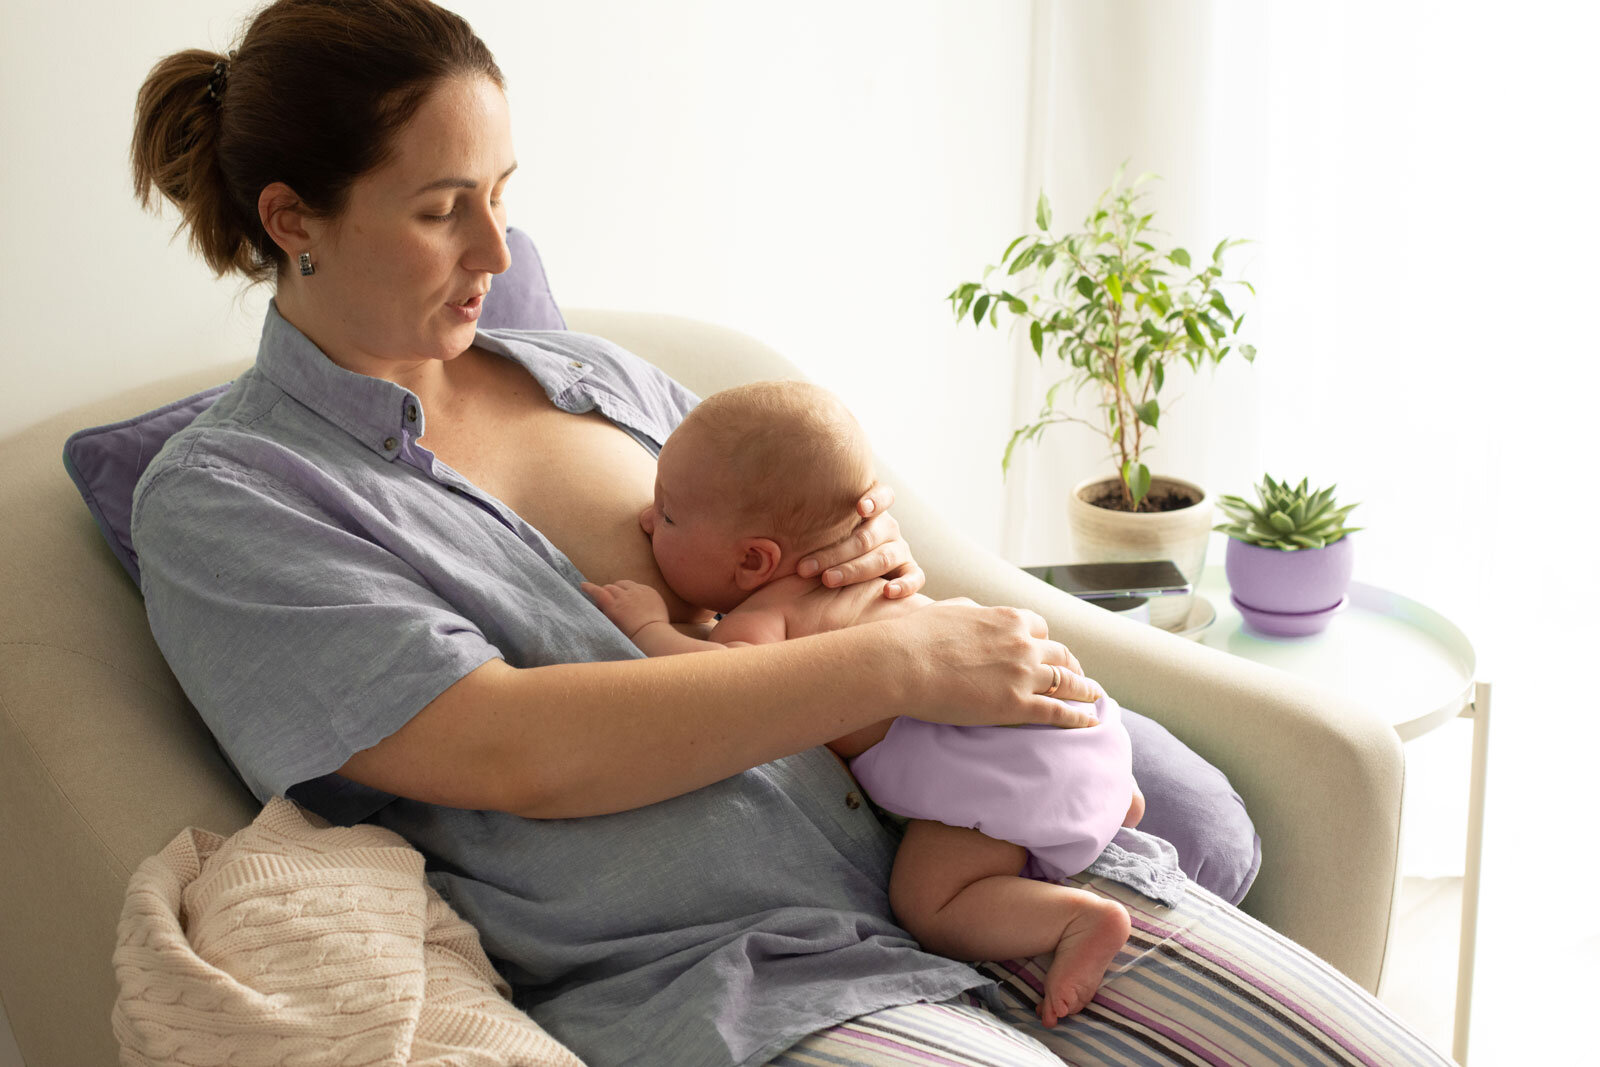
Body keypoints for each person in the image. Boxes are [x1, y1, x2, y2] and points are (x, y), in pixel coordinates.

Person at [126, 1, 1453, 1064]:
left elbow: (811, 556)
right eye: (437, 209)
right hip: (736, 967)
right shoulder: (231, 498)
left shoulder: (597, 377)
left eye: (501, 189)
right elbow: (511, 745)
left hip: (980, 855)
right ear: (293, 219)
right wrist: (895, 661)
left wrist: (872, 579)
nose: (496, 241)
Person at [581, 380, 1147, 1028]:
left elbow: (722, 683)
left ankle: (1079, 919)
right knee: (1085, 776)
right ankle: (1114, 802)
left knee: (929, 901)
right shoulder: (873, 573)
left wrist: (653, 629)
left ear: (754, 560)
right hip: (1084, 722)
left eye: (669, 513)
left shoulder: (769, 613)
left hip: (994, 767)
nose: (647, 520)